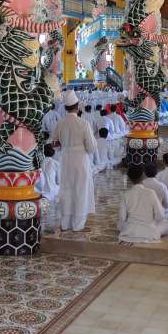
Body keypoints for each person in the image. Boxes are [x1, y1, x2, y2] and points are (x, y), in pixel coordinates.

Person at [50, 90, 97, 232]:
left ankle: (65, 222)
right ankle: (77, 224)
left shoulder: (60, 123)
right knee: (80, 189)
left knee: (66, 188)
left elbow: (55, 144)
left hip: (65, 159)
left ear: (65, 108)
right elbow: (91, 147)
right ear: (77, 107)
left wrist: (64, 146)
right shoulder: (83, 124)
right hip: (80, 159)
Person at [117, 165, 168, 244]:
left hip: (129, 230)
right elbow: (160, 216)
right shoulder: (150, 192)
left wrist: (123, 228)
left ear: (129, 178)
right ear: (144, 176)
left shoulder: (126, 194)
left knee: (121, 225)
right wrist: (155, 221)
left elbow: (121, 218)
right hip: (148, 231)